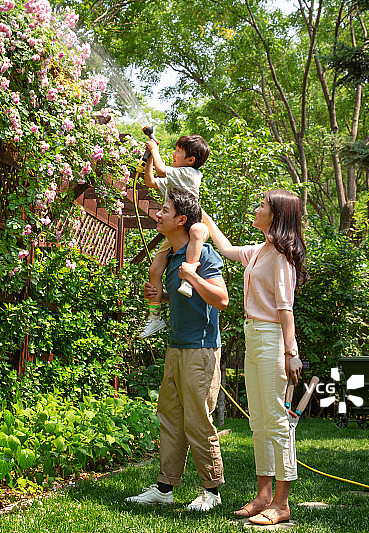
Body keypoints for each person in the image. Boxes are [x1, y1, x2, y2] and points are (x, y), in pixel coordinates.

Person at [204, 190, 308, 526]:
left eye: (262, 205)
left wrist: (291, 352)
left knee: (277, 422)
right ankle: (263, 496)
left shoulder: (282, 257)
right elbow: (225, 248)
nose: (257, 208)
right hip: (254, 337)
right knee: (258, 422)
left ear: (277, 216)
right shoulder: (261, 250)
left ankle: (282, 502)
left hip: (272, 339)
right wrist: (202, 213)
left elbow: (285, 308)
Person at [126, 190, 229, 511]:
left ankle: (211, 491)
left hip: (200, 350)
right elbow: (185, 299)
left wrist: (193, 275)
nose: (158, 215)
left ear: (181, 220)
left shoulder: (205, 255)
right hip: (176, 348)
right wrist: (161, 295)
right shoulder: (170, 258)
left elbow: (221, 300)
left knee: (197, 420)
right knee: (170, 417)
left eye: (164, 211)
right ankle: (164, 488)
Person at [138, 135, 211, 339]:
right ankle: (154, 317)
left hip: (193, 225)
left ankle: (188, 279)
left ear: (190, 160)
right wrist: (149, 158)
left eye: (178, 151)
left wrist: (154, 149)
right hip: (175, 234)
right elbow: (150, 180)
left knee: (197, 230)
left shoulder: (190, 173)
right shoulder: (174, 179)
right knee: (154, 269)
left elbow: (161, 170)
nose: (174, 154)